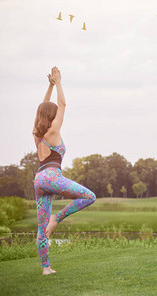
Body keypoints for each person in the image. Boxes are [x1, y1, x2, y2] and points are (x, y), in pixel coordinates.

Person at [33, 67, 96, 275]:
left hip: (39, 179)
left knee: (42, 228)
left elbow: (39, 111)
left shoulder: (37, 132)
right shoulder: (53, 130)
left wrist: (49, 86)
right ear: (51, 115)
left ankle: (46, 268)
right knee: (89, 196)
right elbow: (63, 104)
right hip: (51, 176)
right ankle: (57, 218)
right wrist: (59, 82)